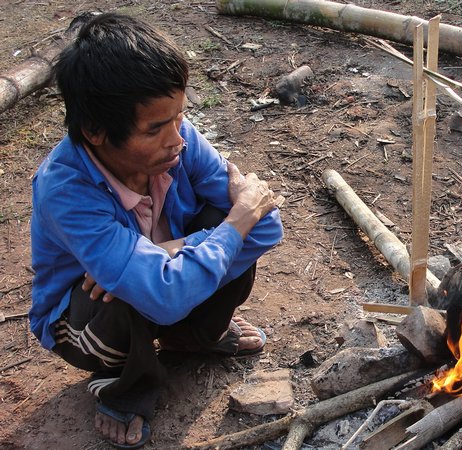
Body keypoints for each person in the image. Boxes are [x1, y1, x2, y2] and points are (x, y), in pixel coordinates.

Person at [29, 13, 283, 449]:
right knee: (122, 292)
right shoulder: (65, 189)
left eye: (179, 116)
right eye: (154, 129)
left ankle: (194, 339)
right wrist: (234, 223)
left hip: (162, 282)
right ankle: (123, 386)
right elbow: (163, 298)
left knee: (225, 235)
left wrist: (166, 249)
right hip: (85, 319)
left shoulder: (179, 141)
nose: (176, 139)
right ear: (95, 132)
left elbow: (268, 225)